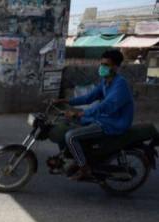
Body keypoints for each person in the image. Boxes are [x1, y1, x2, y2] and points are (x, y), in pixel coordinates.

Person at [56, 50, 134, 180]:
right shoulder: (105, 81)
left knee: (70, 136)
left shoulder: (120, 84)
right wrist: (66, 101)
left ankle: (84, 168)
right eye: (102, 64)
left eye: (106, 65)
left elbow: (105, 106)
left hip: (114, 124)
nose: (102, 67)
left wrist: (81, 113)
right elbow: (89, 97)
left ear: (115, 67)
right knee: (67, 124)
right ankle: (79, 157)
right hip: (103, 119)